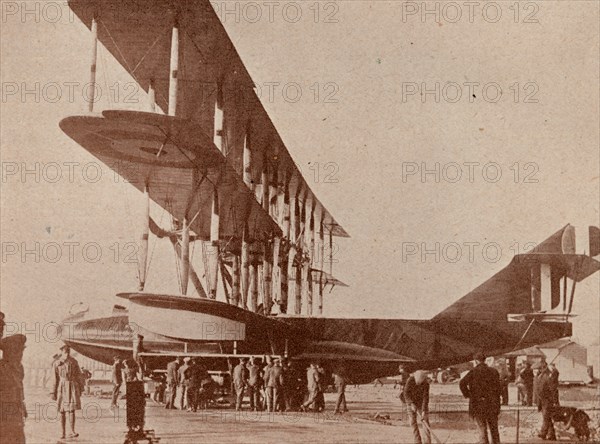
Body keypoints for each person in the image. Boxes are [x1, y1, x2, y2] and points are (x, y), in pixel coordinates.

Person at [459, 352, 502, 444]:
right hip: (492, 404)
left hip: (478, 404)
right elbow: (499, 389)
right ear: (484, 360)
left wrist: (469, 395)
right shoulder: (494, 371)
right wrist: (498, 404)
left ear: (476, 361)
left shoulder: (473, 372)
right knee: (494, 430)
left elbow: (462, 383)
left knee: (482, 429)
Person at [52, 345, 83, 440]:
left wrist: (81, 388)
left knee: (72, 410)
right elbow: (54, 378)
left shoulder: (74, 361)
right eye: (65, 351)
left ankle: (72, 431)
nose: (67, 353)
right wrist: (53, 392)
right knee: (62, 410)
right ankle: (63, 432)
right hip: (62, 387)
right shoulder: (57, 363)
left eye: (68, 351)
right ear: (61, 352)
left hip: (72, 386)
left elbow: (79, 376)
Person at [0, 333, 27, 444]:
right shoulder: (1, 368)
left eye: (21, 351)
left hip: (16, 412)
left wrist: (23, 405)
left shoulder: (19, 368)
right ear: (9, 352)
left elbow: (20, 388)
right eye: (18, 351)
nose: (20, 355)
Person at [404, 370, 430, 444]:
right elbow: (406, 394)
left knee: (425, 422)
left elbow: (426, 398)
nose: (418, 384)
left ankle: (428, 442)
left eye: (420, 382)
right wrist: (411, 403)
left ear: (423, 379)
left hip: (421, 404)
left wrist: (424, 410)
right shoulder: (410, 380)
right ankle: (417, 441)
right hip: (410, 403)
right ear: (415, 377)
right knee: (413, 422)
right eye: (417, 382)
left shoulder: (426, 384)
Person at [535, 362, 557, 441]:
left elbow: (553, 389)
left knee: (546, 416)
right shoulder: (539, 377)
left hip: (547, 400)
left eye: (541, 368)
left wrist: (555, 401)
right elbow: (537, 389)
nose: (540, 370)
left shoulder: (547, 377)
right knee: (547, 417)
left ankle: (543, 433)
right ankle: (552, 435)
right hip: (542, 400)